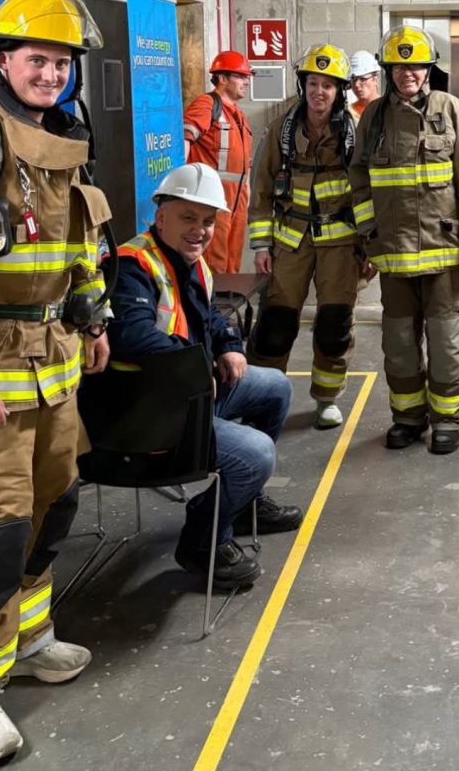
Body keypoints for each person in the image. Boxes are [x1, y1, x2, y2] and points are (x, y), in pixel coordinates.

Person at [0, 0, 112, 766]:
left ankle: (27, 638)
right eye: (36, 59)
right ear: (1, 60)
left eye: (61, 62)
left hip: (54, 367)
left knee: (51, 505)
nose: (49, 73)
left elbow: (77, 246)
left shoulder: (64, 142)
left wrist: (92, 320)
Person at [105, 164, 302, 587]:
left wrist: (229, 345)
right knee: (256, 454)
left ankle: (242, 502)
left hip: (187, 397)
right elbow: (131, 335)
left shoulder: (192, 262)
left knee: (274, 387)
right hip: (144, 414)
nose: (200, 230)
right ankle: (201, 540)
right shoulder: (131, 265)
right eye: (188, 218)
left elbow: (208, 314)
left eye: (208, 221)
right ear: (160, 217)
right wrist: (196, 366)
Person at [349, 27, 459, 456]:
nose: (407, 73)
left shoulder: (451, 110)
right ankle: (407, 417)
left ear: (429, 69)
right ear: (389, 70)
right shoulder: (373, 117)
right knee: (399, 344)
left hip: (446, 256)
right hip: (393, 257)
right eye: (398, 66)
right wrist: (369, 234)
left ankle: (446, 420)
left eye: (415, 65)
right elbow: (359, 179)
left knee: (446, 342)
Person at [247, 43, 366, 429]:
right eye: (313, 83)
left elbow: (369, 190)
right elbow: (262, 189)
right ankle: (266, 397)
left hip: (341, 243)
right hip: (290, 240)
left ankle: (326, 399)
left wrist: (369, 245)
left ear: (339, 91)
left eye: (328, 86)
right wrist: (262, 244)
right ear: (304, 85)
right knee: (276, 323)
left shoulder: (355, 133)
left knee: (334, 323)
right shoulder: (281, 132)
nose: (319, 92)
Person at [183, 51, 253, 274]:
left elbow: (242, 162)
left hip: (237, 198)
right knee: (213, 260)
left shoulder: (238, 115)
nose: (246, 82)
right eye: (241, 76)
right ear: (222, 78)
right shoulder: (206, 104)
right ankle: (208, 304)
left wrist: (247, 188)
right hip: (213, 197)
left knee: (232, 259)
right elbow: (184, 141)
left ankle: (225, 306)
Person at [348, 50, 381, 120]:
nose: (356, 85)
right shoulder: (347, 113)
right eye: (353, 79)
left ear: (375, 79)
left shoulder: (389, 110)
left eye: (363, 79)